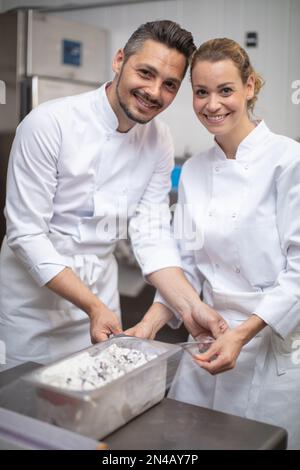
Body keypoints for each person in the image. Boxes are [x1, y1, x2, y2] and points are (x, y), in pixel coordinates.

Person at [0, 21, 227, 366]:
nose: (154, 92)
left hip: (101, 300)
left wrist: (191, 307)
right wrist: (92, 305)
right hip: (33, 306)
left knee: (95, 406)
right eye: (145, 73)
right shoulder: (49, 123)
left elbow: (151, 232)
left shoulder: (159, 139)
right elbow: (25, 233)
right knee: (24, 409)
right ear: (120, 60)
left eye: (169, 84)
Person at [130, 38, 300, 449]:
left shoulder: (288, 161)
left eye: (225, 90)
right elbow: (186, 265)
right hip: (205, 340)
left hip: (270, 344)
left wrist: (242, 335)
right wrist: (149, 325)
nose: (212, 105)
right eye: (201, 92)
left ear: (250, 86)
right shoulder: (193, 170)